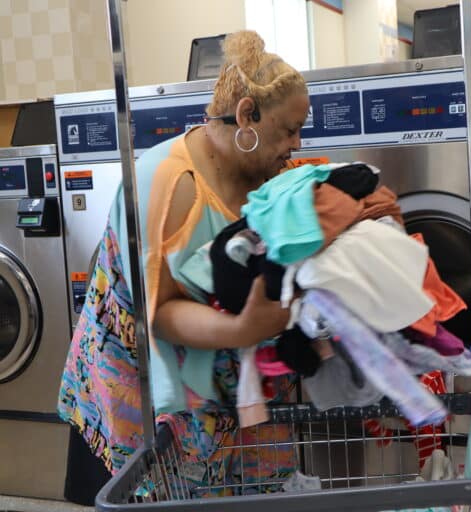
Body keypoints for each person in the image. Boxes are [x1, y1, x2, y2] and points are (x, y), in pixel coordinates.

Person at [58, 30, 308, 500]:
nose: (296, 145)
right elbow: (162, 312)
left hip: (223, 391)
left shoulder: (271, 175)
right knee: (155, 497)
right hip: (143, 389)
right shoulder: (168, 182)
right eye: (289, 130)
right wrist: (243, 329)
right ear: (247, 117)